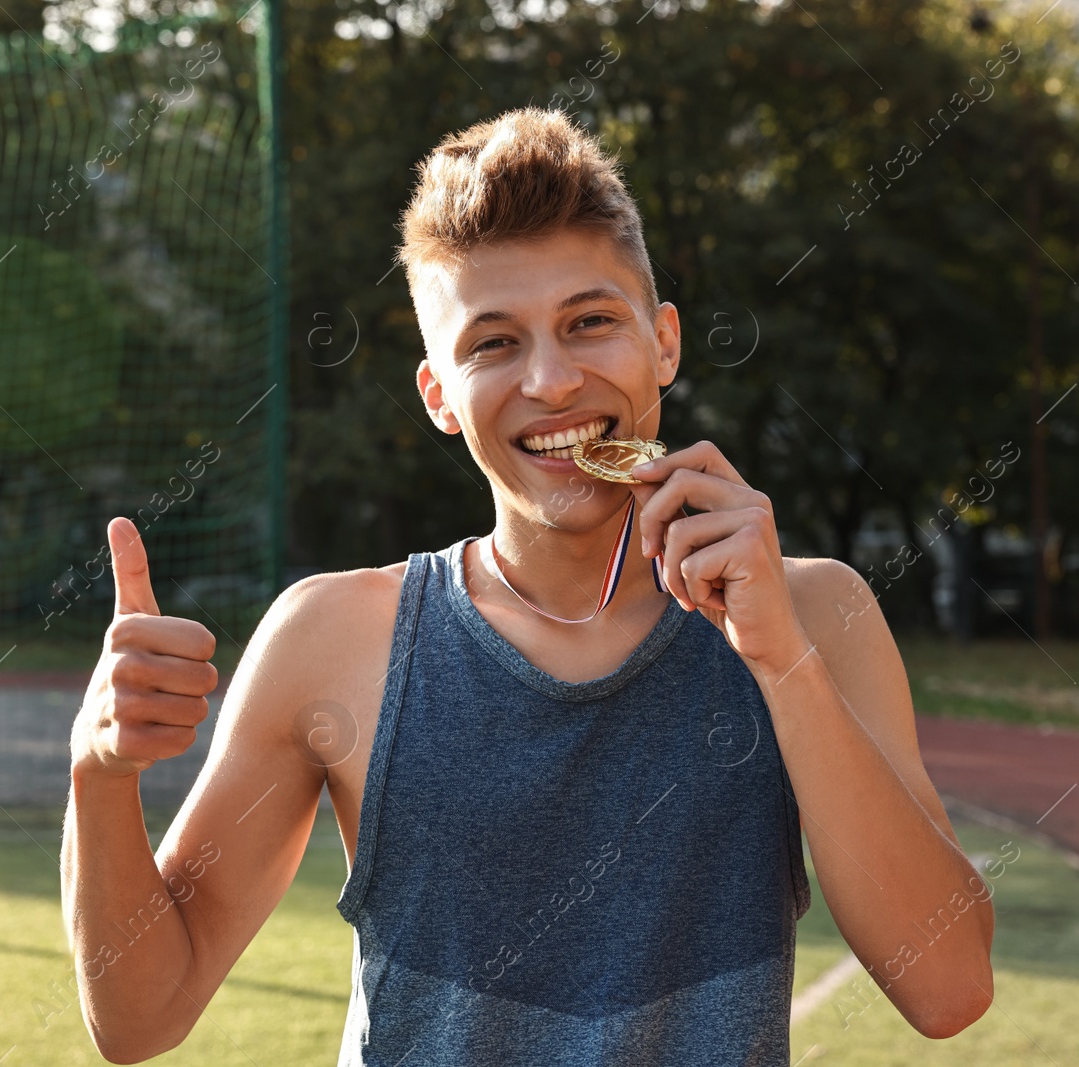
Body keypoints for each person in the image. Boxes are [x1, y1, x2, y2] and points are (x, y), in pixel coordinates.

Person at [62, 106, 994, 1066]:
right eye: (493, 344)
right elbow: (139, 1017)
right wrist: (100, 773)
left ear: (663, 342)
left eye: (590, 322)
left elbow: (951, 986)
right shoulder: (334, 639)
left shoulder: (819, 616)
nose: (550, 382)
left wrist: (780, 661)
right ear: (437, 395)